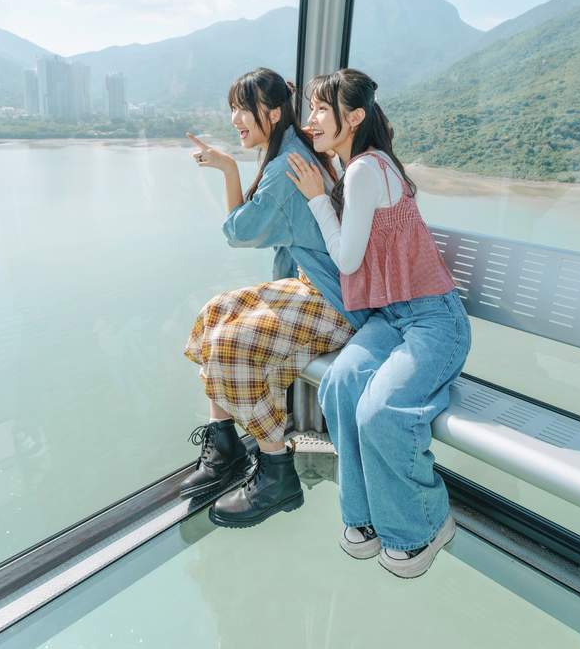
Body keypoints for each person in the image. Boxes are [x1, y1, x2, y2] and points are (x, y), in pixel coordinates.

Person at [286, 68, 471, 578]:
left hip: (434, 322)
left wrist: (316, 200)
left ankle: (425, 524)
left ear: (355, 117)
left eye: (322, 109)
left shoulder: (365, 170)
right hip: (395, 319)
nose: (312, 120)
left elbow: (347, 260)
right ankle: (366, 517)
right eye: (312, 109)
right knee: (340, 386)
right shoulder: (364, 167)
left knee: (379, 410)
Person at [182, 67, 368, 528]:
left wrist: (227, 169)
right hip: (313, 287)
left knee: (233, 343)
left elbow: (239, 231)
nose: (234, 119)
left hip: (335, 301)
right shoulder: (286, 151)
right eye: (232, 109)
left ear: (273, 111)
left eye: (243, 109)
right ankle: (225, 443)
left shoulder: (286, 164)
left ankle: (275, 472)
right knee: (215, 313)